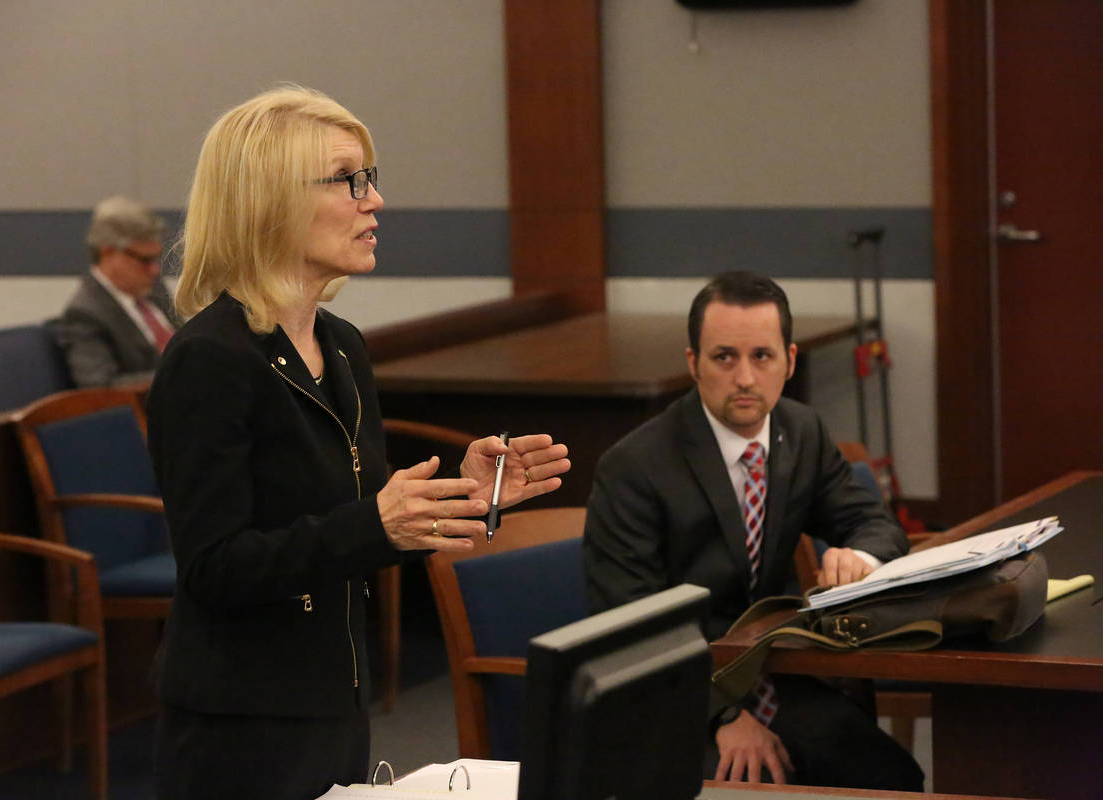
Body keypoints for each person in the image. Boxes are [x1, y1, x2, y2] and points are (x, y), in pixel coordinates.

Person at [144, 85, 571, 800]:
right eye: (350, 180)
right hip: (243, 724)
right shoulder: (208, 360)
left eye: (369, 178)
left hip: (339, 698)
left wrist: (458, 495)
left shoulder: (341, 347)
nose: (374, 202)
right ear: (270, 199)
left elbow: (351, 520)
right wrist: (379, 521)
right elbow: (215, 568)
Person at [582, 271, 923, 791]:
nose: (745, 378)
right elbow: (631, 627)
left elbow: (873, 523)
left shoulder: (801, 430)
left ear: (788, 361)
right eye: (724, 357)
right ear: (693, 363)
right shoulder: (634, 467)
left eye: (761, 357)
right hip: (673, 691)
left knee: (892, 778)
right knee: (745, 783)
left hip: (775, 673)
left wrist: (860, 555)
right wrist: (722, 717)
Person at [53, 195, 178, 387]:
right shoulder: (84, 314)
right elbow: (101, 387)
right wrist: (183, 376)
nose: (155, 270)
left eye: (156, 259)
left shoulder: (154, 289)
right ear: (108, 252)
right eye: (145, 260)